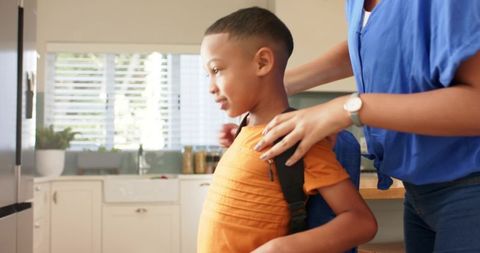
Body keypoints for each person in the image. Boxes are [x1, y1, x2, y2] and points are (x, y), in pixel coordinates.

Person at [235, 1, 479, 252]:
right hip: (418, 191)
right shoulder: (356, 4)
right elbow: (367, 46)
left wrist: (347, 109)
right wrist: (274, 87)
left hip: (469, 186)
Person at [198, 7, 377, 253]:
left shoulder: (297, 138)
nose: (210, 87)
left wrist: (280, 249)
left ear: (262, 62)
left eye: (216, 70)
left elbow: (362, 223)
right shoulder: (247, 130)